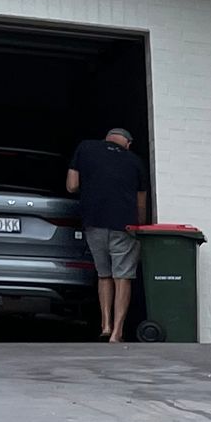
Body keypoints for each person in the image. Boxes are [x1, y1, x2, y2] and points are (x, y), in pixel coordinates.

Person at [65, 127, 148, 343]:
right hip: (124, 225)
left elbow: (72, 185)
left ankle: (105, 324)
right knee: (123, 277)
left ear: (107, 138)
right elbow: (140, 203)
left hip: (93, 221)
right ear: (128, 143)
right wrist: (140, 228)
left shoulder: (85, 148)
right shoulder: (136, 161)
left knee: (104, 274)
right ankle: (117, 332)